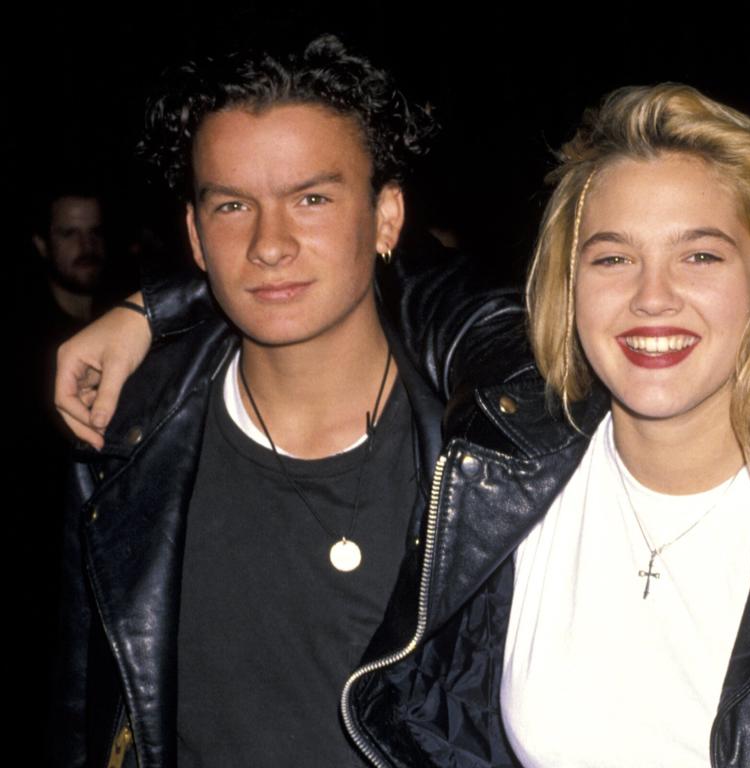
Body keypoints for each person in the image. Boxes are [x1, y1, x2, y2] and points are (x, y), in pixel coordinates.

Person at [56, 85, 750, 766]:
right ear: (567, 283)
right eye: (613, 256)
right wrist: (158, 304)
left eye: (700, 253)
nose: (652, 296)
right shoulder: (508, 475)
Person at [49, 35, 512, 768]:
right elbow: (84, 716)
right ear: (196, 237)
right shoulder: (127, 434)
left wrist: (156, 306)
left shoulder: (487, 454)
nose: (269, 243)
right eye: (233, 205)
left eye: (312, 199)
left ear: (388, 218)